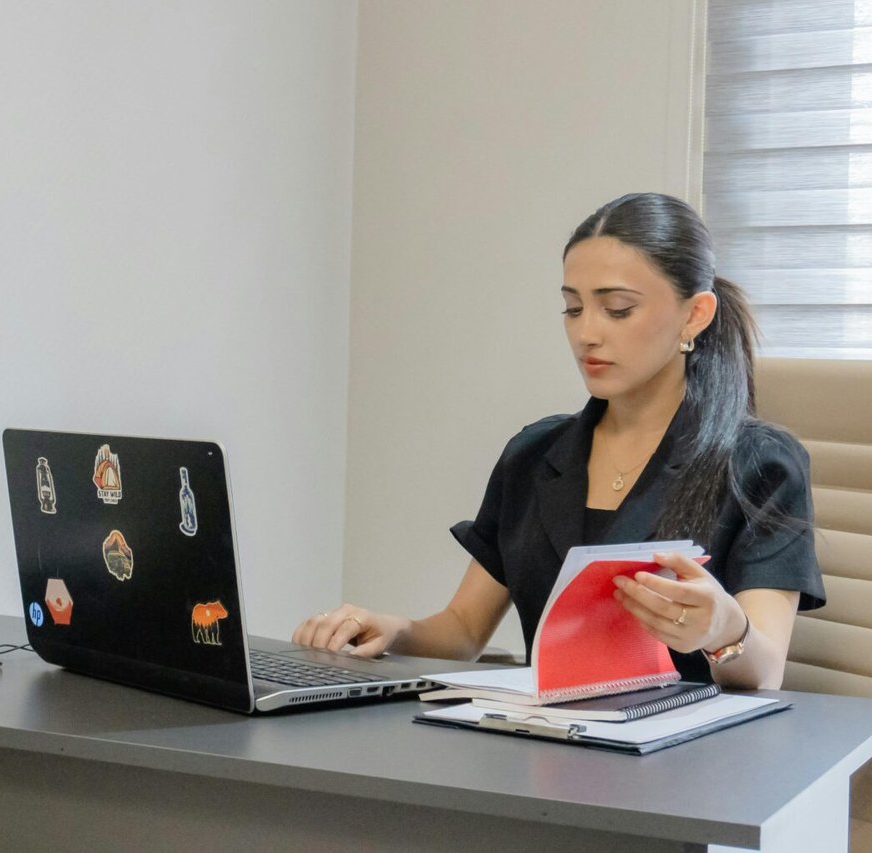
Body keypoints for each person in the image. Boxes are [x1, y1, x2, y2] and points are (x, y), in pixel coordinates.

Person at [292, 192, 825, 689]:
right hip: (545, 750)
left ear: (695, 314)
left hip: (688, 764)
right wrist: (392, 630)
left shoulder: (760, 464)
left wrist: (725, 631)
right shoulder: (535, 454)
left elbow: (765, 673)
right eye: (573, 308)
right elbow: (462, 631)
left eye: (617, 309)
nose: (586, 333)